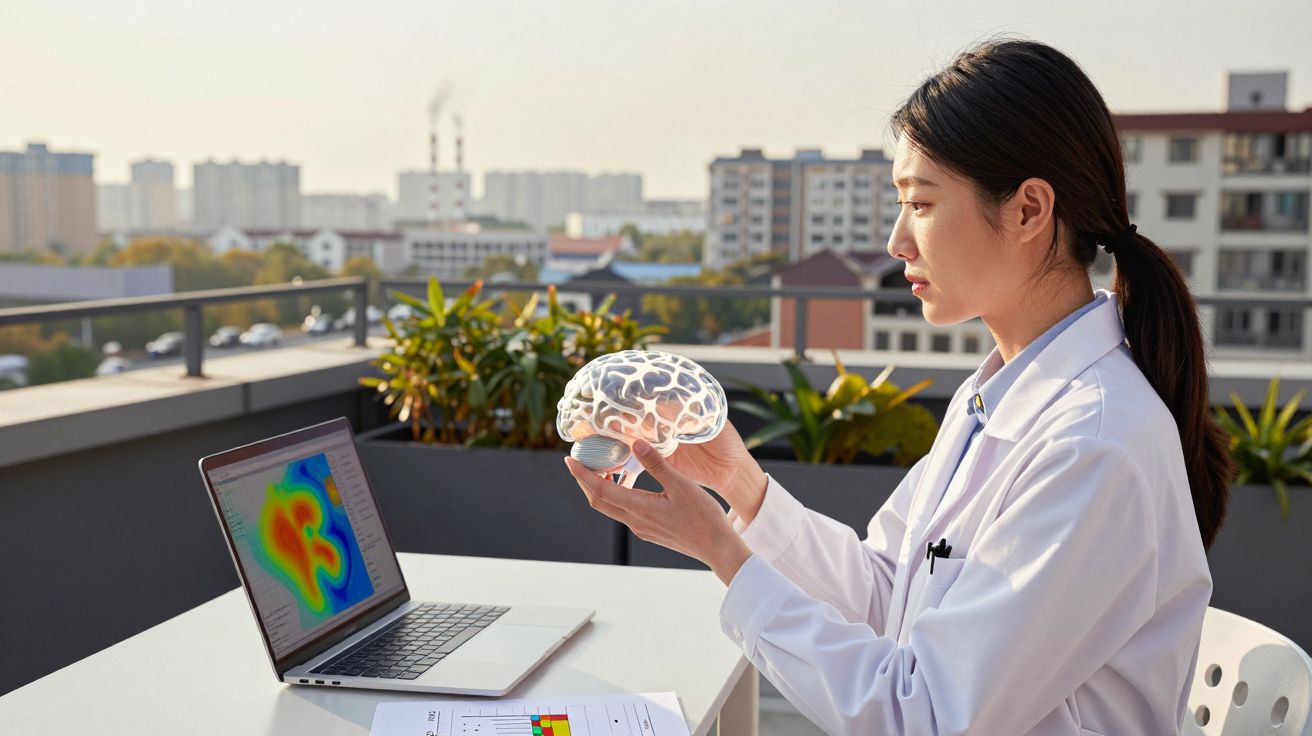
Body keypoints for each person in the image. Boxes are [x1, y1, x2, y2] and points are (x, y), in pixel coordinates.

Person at [564, 37, 1232, 735]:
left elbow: (927, 717)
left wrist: (724, 554)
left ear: (1029, 211)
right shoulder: (999, 402)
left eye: (920, 204)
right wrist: (742, 486)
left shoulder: (1094, 447)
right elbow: (889, 597)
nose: (896, 241)